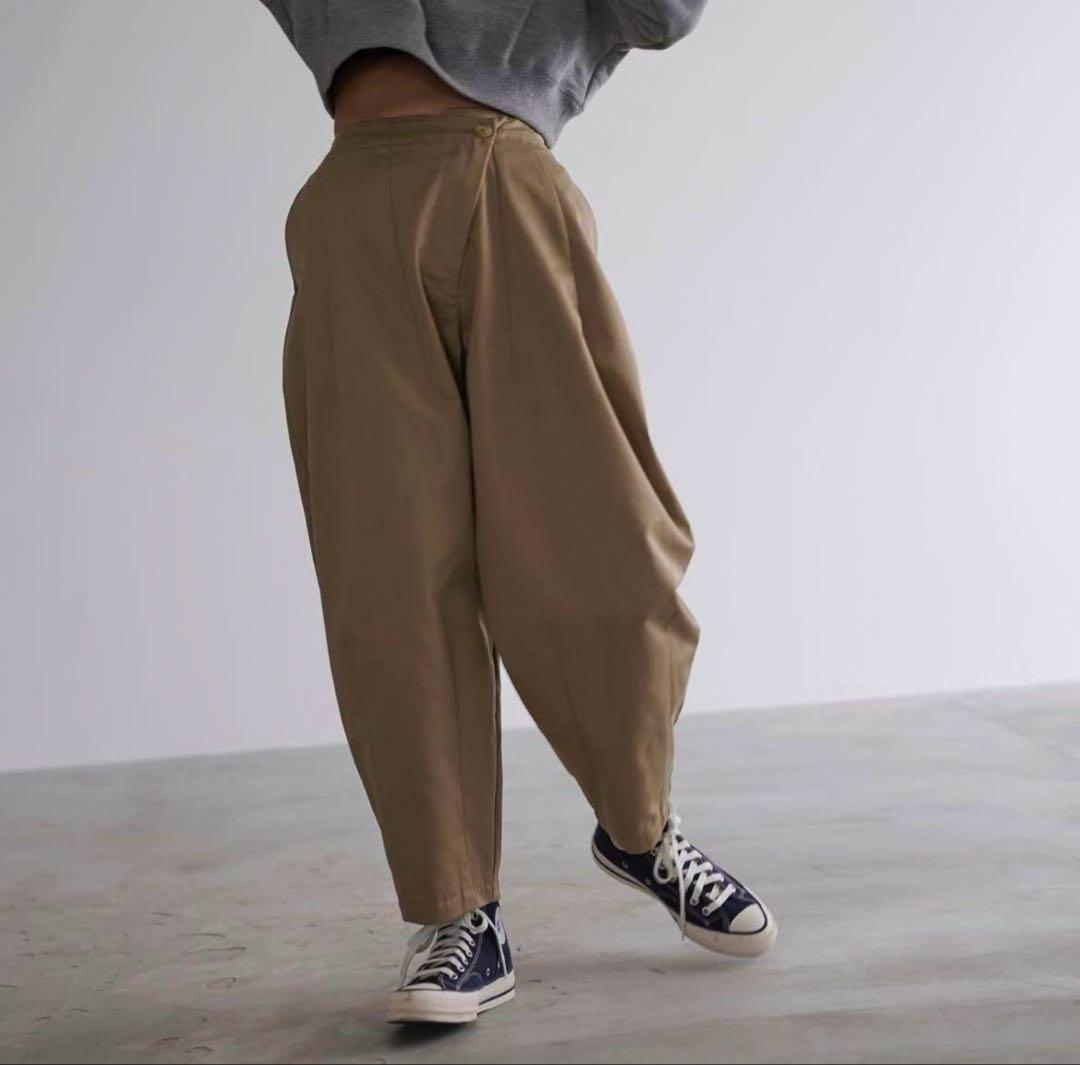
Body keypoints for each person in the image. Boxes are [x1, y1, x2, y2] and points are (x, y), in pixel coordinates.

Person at [259, 0, 777, 1025]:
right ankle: (457, 911)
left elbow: (663, 14)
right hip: (351, 198)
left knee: (604, 543)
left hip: (508, 179)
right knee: (391, 580)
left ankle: (639, 824)